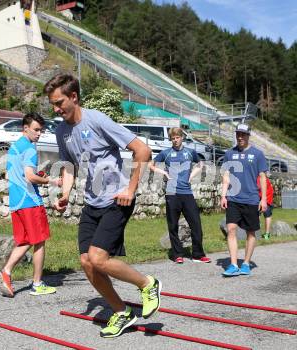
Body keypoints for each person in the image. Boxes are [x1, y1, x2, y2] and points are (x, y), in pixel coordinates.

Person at [43, 74, 161, 338]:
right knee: (86, 262)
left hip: (117, 200)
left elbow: (142, 150)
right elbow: (70, 166)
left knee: (99, 258)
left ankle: (148, 284)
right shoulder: (62, 131)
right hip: (92, 202)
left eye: (59, 102)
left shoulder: (97, 120)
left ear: (73, 97)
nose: (56, 109)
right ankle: (122, 313)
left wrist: (130, 189)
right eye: (52, 104)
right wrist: (64, 194)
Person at [0, 112, 59, 297]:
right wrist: (52, 181)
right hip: (30, 201)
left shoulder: (14, 148)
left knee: (25, 241)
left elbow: (10, 175)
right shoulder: (30, 149)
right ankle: (37, 284)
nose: (39, 134)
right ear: (26, 128)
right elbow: (30, 177)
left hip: (16, 202)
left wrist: (35, 175)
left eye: (42, 130)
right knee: (39, 241)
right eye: (36, 130)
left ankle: (6, 272)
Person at [149, 127, 210, 264]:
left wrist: (191, 176)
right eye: (172, 138)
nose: (175, 140)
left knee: (196, 224)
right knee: (173, 226)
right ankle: (177, 254)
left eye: (177, 137)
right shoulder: (166, 153)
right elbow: (151, 165)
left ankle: (198, 254)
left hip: (187, 193)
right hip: (172, 194)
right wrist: (163, 173)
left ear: (182, 137)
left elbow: (200, 164)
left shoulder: (190, 152)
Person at [220, 123, 268, 277]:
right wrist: (223, 195)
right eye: (238, 134)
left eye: (243, 134)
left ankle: (246, 263)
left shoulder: (258, 154)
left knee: (250, 232)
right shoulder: (229, 154)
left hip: (251, 199)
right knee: (231, 229)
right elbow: (226, 175)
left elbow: (262, 177)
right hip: (233, 198)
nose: (240, 137)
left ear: (248, 136)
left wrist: (264, 199)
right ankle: (233, 265)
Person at [257, 174, 274, 239]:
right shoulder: (263, 177)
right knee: (267, 215)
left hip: (265, 197)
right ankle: (266, 234)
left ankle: (261, 233)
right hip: (267, 197)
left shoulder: (258, 178)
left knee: (260, 214)